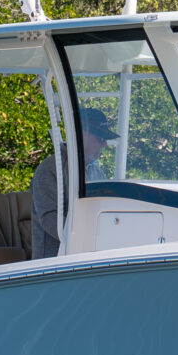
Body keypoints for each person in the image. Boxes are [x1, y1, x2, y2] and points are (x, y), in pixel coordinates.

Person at [31, 107, 111, 260]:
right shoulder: (50, 169)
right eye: (100, 138)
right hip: (53, 264)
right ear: (81, 135)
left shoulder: (96, 171)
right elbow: (50, 219)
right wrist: (90, 237)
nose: (105, 144)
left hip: (86, 258)